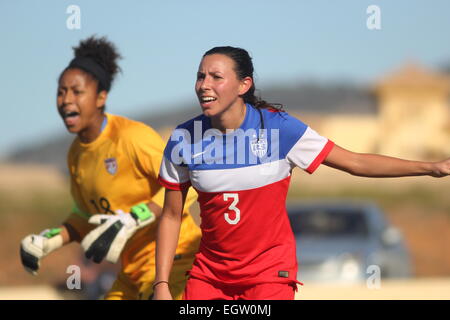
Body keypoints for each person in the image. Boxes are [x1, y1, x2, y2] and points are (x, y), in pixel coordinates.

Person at [153, 46, 450, 300]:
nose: (204, 84)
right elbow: (170, 215)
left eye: (216, 77)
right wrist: (162, 284)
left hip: (268, 275)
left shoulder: (280, 128)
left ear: (244, 85)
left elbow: (355, 162)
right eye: (200, 76)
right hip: (209, 277)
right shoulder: (184, 139)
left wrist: (429, 167)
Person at [19, 36, 201, 300]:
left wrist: (133, 218)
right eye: (61, 91)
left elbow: (188, 186)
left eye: (77, 92)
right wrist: (50, 240)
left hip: (176, 260)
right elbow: (85, 216)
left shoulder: (132, 137)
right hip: (130, 272)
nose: (66, 100)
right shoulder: (75, 156)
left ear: (101, 96)